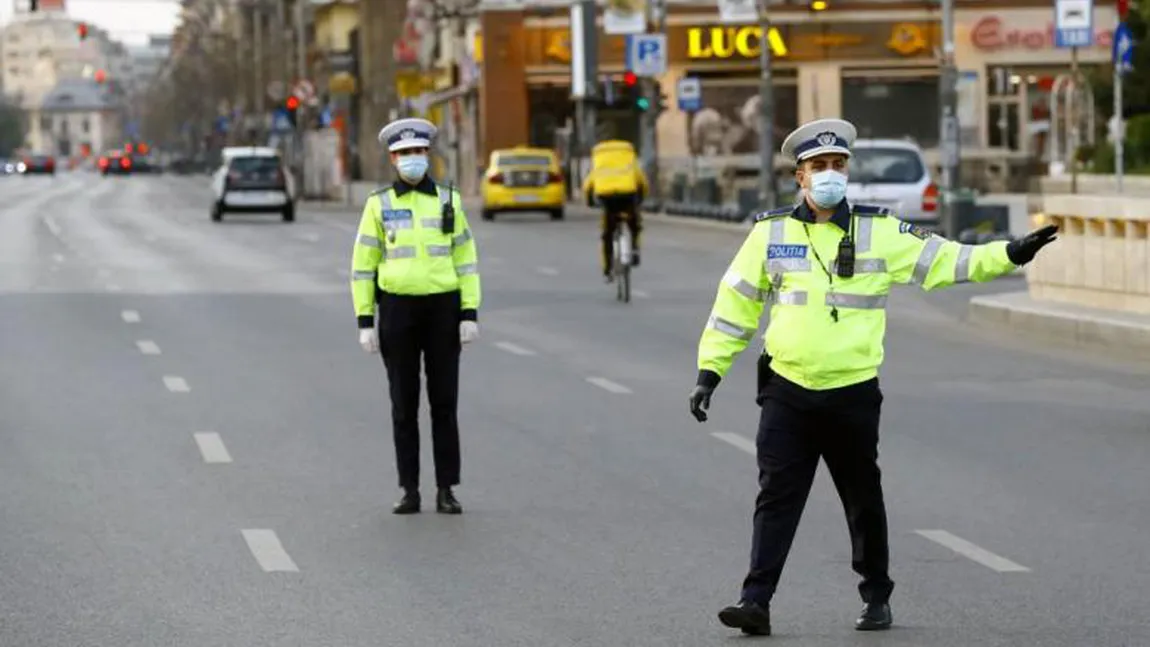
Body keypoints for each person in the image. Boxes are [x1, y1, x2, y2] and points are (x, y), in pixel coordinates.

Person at [687, 118, 1058, 636]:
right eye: (819, 167)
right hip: (787, 390)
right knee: (776, 496)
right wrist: (711, 371)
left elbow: (946, 259)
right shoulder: (770, 234)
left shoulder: (879, 231)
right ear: (800, 176)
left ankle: (876, 594)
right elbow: (735, 308)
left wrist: (1010, 253)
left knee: (862, 497)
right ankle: (756, 601)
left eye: (838, 165)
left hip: (852, 393)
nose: (830, 175)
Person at [350, 117, 482, 516]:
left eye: (419, 153)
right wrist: (365, 321)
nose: (412, 160)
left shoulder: (449, 200)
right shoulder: (379, 204)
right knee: (403, 405)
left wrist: (469, 312)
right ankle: (410, 489)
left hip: (443, 309)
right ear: (393, 158)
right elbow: (363, 264)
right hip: (397, 311)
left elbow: (466, 258)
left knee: (444, 404)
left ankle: (446, 488)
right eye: (405, 154)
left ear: (429, 155)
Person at [581, 140, 649, 281]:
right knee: (634, 224)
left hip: (606, 197)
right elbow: (642, 181)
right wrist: (641, 199)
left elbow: (587, 186)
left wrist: (589, 202)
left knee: (607, 234)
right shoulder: (629, 160)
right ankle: (635, 248)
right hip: (628, 195)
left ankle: (608, 269)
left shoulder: (600, 163)